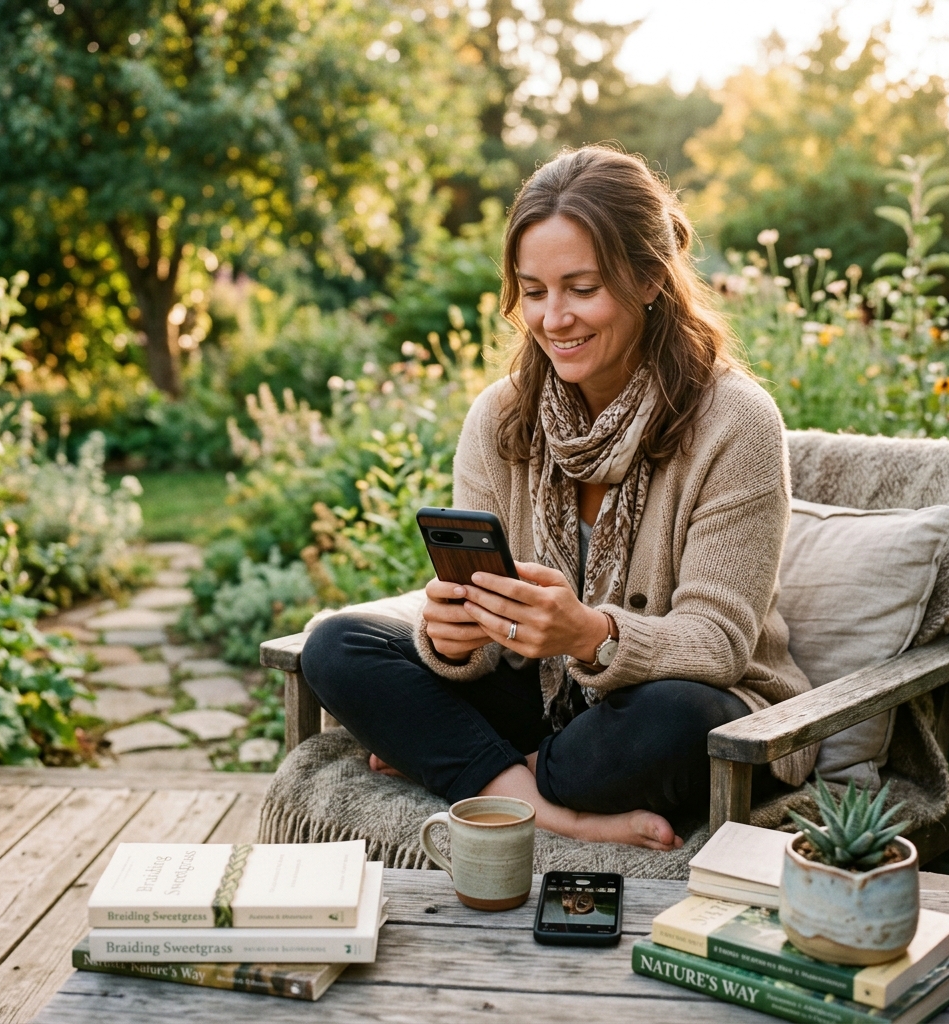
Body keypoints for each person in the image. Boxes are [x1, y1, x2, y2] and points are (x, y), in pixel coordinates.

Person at [301, 146, 814, 851]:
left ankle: (477, 774)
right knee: (335, 644)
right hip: (541, 694)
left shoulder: (736, 423)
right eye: (534, 290)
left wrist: (588, 634)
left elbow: (718, 644)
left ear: (648, 281)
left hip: (670, 702)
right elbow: (488, 638)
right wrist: (457, 639)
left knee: (674, 720)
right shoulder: (501, 416)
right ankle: (556, 812)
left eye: (581, 287)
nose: (554, 318)